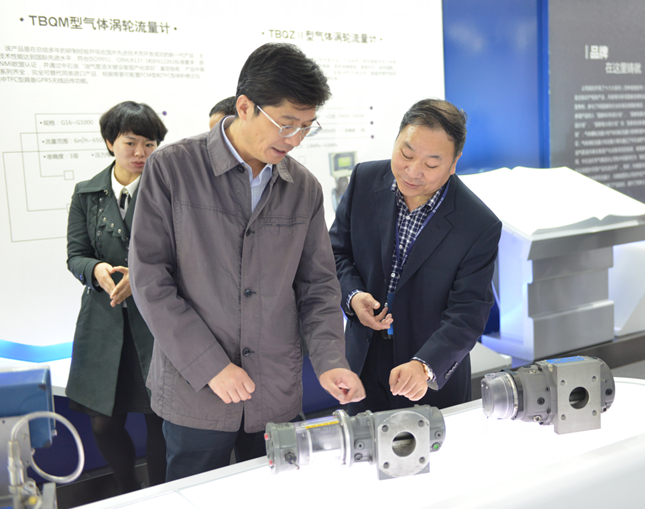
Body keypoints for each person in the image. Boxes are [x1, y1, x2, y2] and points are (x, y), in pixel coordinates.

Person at [129, 42, 365, 482]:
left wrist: (331, 359)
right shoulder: (173, 169)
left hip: (275, 392)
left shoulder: (304, 188)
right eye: (286, 124)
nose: (294, 139)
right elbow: (150, 280)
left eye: (306, 127)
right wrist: (210, 366)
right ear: (244, 107)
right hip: (197, 391)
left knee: (279, 491)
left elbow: (317, 286)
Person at [329, 98, 502, 413]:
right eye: (405, 155)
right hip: (362, 363)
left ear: (454, 163)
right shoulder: (365, 180)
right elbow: (335, 252)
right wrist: (352, 296)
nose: (412, 172)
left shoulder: (477, 224)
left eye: (431, 165)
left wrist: (425, 365)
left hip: (427, 377)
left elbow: (468, 312)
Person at [66, 101, 168, 493]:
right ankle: (128, 490)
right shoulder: (86, 192)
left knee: (160, 418)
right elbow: (76, 255)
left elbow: (183, 255)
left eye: (149, 144)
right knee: (103, 423)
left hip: (156, 322)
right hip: (103, 321)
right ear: (110, 142)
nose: (140, 153)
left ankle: (162, 494)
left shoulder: (168, 190)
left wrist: (139, 278)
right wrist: (95, 270)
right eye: (130, 143)